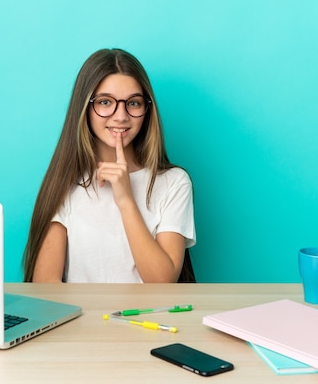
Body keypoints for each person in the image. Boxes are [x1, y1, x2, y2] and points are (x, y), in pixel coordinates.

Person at [23, 48, 195, 283]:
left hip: (146, 319)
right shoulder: (66, 183)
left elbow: (162, 282)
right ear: (85, 108)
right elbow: (46, 289)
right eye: (105, 102)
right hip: (83, 320)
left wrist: (125, 200)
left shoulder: (173, 182)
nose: (121, 116)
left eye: (133, 103)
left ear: (147, 109)